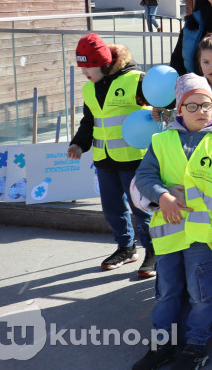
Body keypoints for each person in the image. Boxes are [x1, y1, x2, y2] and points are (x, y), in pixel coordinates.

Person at [131, 74, 212, 370]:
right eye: (192, 106)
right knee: (166, 293)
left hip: (203, 237)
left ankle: (196, 347)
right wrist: (162, 197)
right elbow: (144, 176)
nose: (200, 111)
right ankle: (161, 346)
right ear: (179, 109)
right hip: (168, 235)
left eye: (206, 104)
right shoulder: (162, 141)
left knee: (201, 295)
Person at [67, 34, 155, 277]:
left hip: (134, 158)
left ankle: (154, 251)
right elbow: (89, 121)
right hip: (104, 159)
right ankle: (126, 248)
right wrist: (78, 144)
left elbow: (160, 105)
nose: (84, 71)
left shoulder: (136, 80)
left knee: (142, 207)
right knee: (112, 208)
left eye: (88, 66)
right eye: (81, 66)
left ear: (104, 63)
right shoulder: (89, 89)